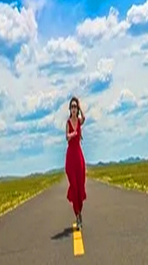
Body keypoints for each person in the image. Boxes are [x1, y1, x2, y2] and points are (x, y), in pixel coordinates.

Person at [65, 95, 86, 228]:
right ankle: (77, 215)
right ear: (69, 109)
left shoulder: (79, 121)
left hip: (79, 157)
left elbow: (84, 119)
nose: (73, 109)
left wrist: (80, 106)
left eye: (75, 106)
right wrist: (72, 135)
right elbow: (66, 137)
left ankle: (80, 212)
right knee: (74, 186)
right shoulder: (68, 123)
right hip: (70, 158)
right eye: (72, 106)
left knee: (80, 186)